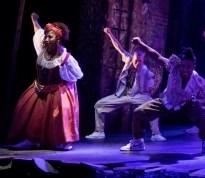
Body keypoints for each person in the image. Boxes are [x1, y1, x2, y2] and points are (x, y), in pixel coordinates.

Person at [120, 38, 205, 153]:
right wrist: (140, 43)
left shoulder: (197, 80)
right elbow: (156, 56)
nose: (185, 69)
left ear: (193, 67)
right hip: (167, 102)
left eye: (188, 67)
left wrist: (198, 96)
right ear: (180, 65)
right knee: (138, 112)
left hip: (186, 105)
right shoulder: (173, 68)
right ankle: (138, 142)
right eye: (183, 66)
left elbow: (201, 95)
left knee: (203, 112)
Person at [9, 13, 83, 151]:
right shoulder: (42, 49)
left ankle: (63, 141)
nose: (46, 39)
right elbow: (38, 32)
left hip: (56, 90)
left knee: (58, 115)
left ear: (58, 40)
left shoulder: (65, 58)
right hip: (39, 87)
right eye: (46, 36)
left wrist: (63, 70)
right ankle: (30, 139)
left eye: (50, 37)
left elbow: (77, 75)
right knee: (32, 113)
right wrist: (34, 20)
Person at [85, 27, 164, 141]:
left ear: (143, 60)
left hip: (139, 96)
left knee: (154, 107)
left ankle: (156, 134)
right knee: (99, 105)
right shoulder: (128, 59)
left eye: (140, 61)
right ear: (133, 57)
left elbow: (152, 83)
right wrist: (110, 34)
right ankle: (99, 132)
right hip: (124, 94)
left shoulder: (145, 70)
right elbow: (119, 47)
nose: (138, 63)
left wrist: (150, 85)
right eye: (136, 60)